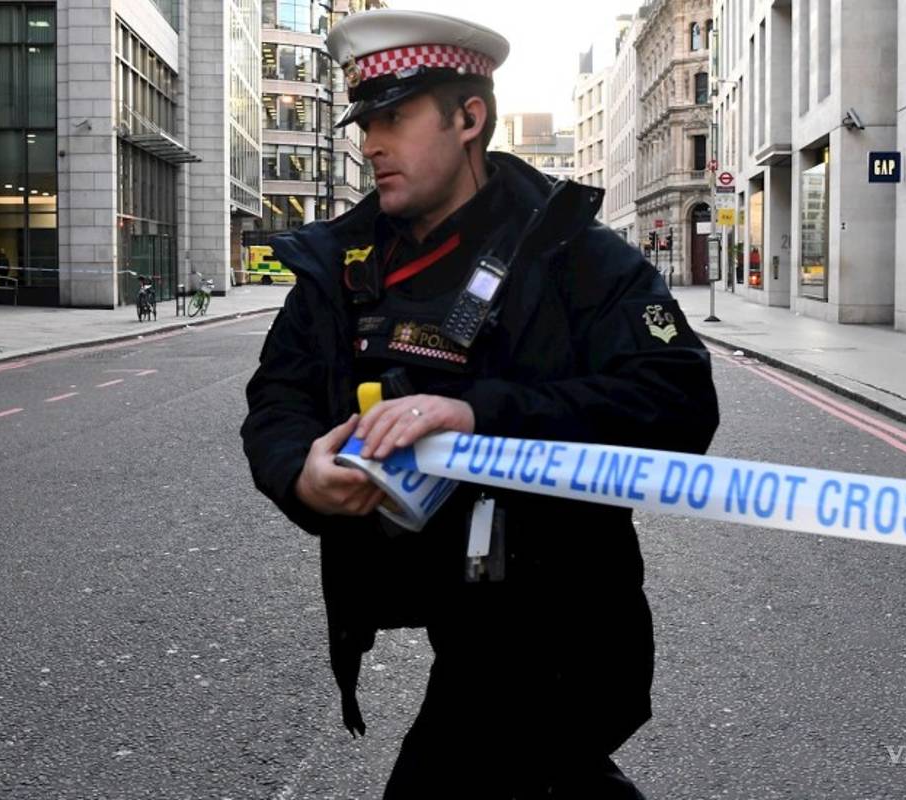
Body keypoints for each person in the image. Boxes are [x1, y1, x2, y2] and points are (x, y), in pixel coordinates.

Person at [240, 9, 719, 798]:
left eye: (394, 117)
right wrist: (298, 470)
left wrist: (476, 414)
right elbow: (279, 393)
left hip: (563, 622)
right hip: (447, 609)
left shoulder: (574, 256)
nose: (371, 144)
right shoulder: (349, 264)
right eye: (366, 122)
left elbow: (675, 400)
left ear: (470, 119)